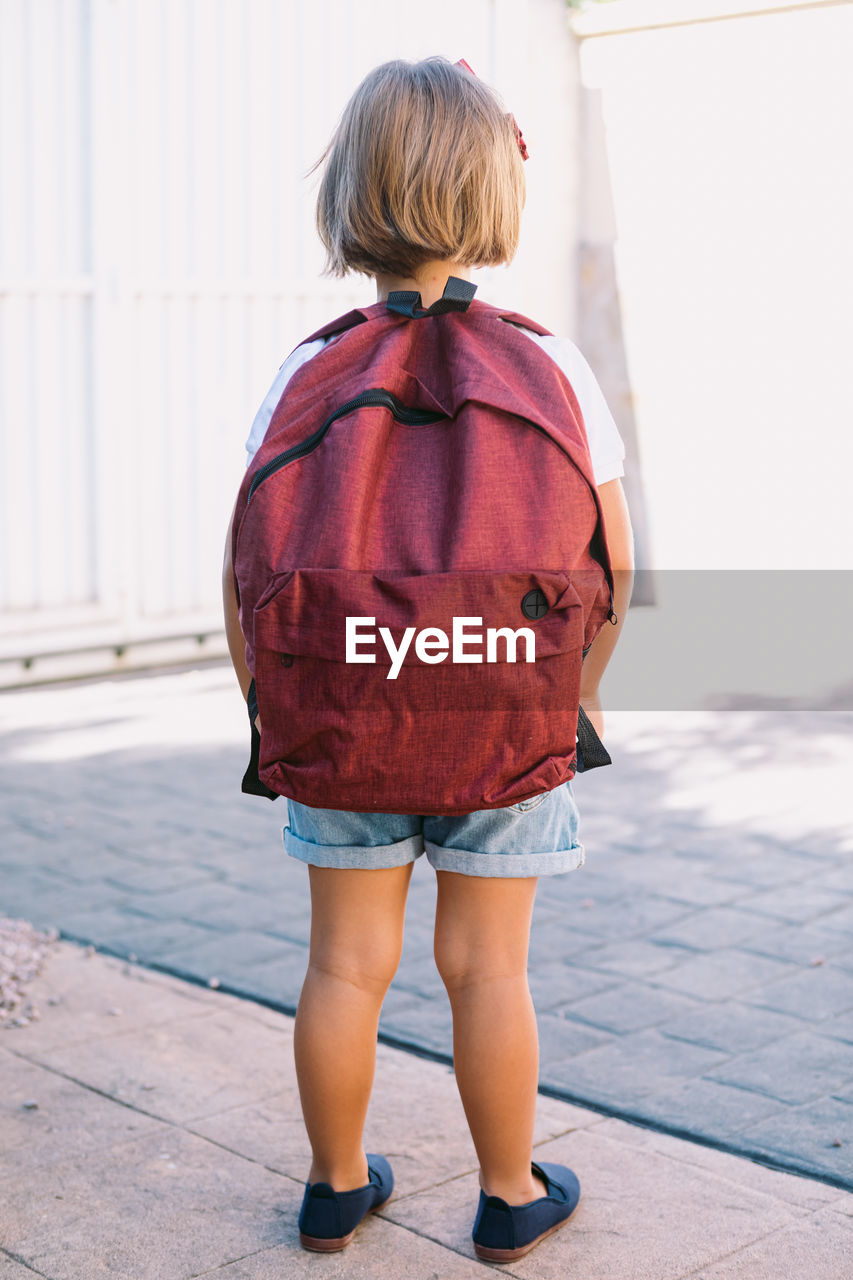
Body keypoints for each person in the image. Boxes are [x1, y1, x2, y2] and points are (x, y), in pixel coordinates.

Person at [222, 56, 634, 1264]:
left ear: (352, 187)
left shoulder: (308, 371)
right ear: (495, 187)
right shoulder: (550, 369)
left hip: (340, 709)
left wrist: (275, 705)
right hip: (503, 710)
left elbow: (244, 570)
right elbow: (612, 568)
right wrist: (568, 704)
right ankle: (509, 1192)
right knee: (486, 967)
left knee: (344, 964)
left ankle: (335, 1188)